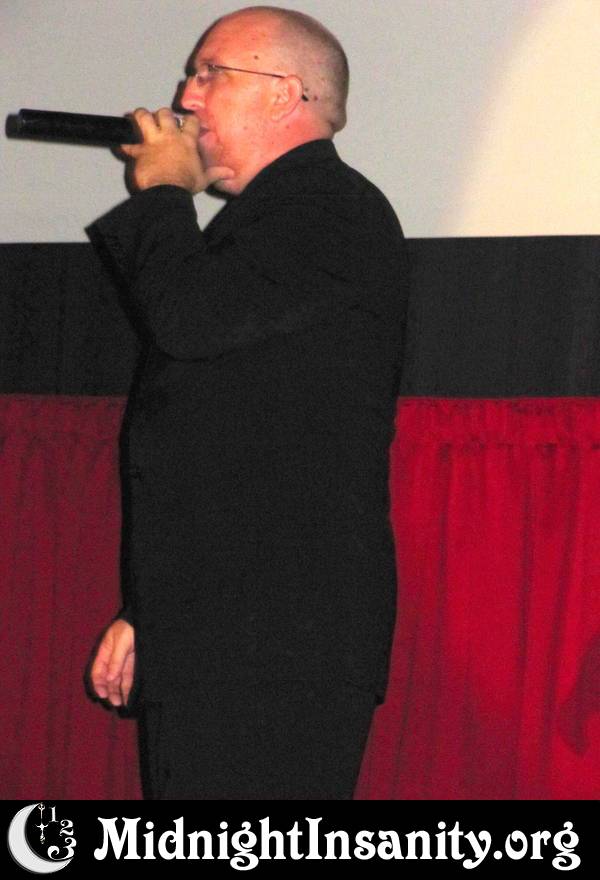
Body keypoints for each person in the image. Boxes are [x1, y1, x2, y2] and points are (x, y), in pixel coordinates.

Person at [89, 4, 408, 800]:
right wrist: (150, 609)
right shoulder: (263, 226)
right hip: (224, 632)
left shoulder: (331, 209)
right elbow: (227, 442)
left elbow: (189, 321)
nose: (185, 97)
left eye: (210, 74)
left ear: (282, 93)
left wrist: (164, 192)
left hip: (277, 642)